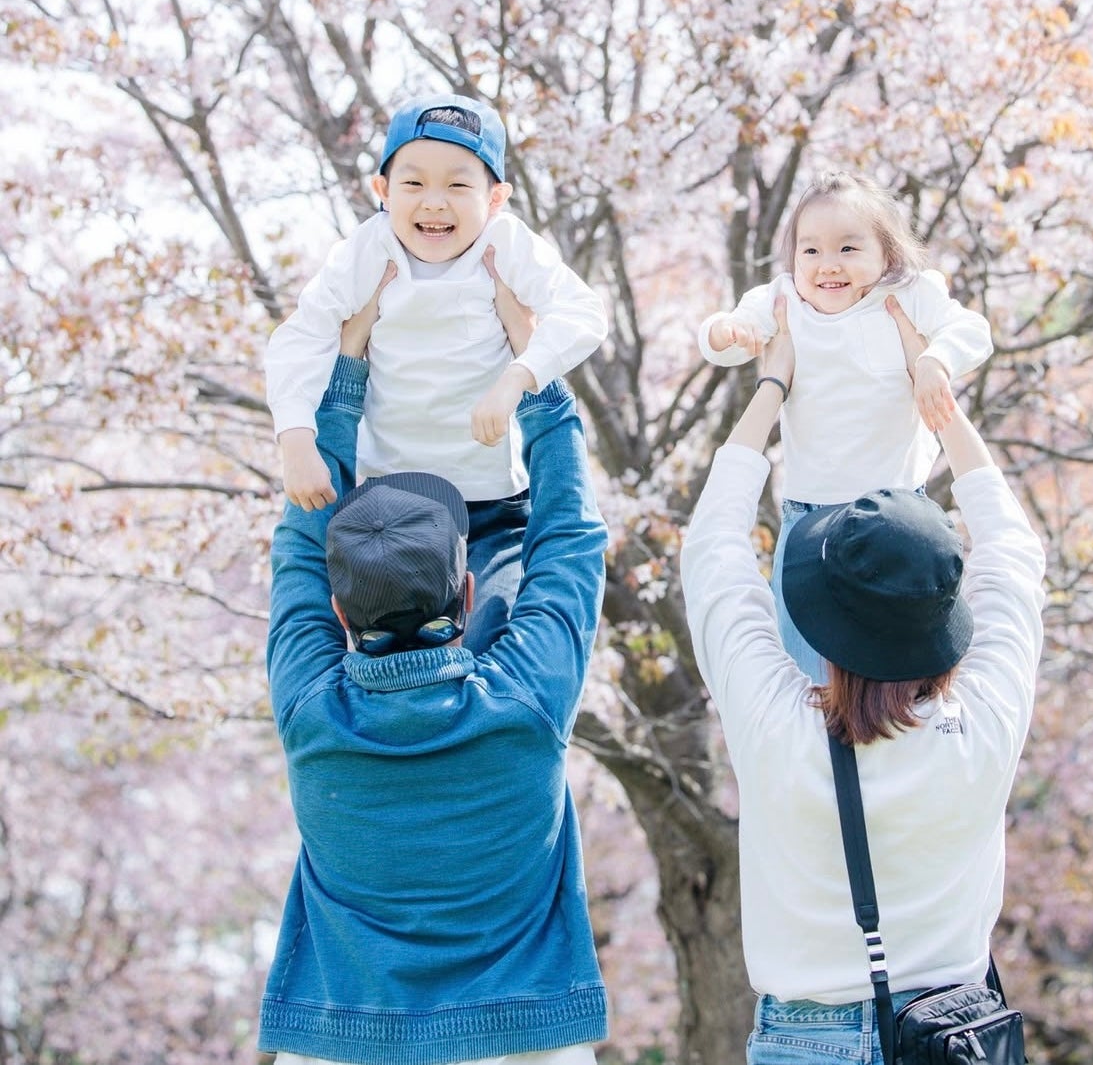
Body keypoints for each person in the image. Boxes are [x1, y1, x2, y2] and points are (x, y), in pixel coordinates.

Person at [258, 267, 610, 1065]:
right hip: (524, 1045)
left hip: (339, 1045)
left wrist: (340, 387)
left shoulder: (314, 710)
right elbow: (571, 541)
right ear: (470, 588)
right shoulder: (523, 699)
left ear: (340, 616)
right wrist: (538, 382)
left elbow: (297, 548)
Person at [681, 294, 1045, 1065]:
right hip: (955, 1035)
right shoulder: (986, 717)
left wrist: (771, 389)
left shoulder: (777, 727)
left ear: (816, 622)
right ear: (946, 615)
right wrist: (933, 390)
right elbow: (1014, 552)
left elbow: (714, 552)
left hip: (806, 1040)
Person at [266, 92, 608, 649]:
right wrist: (296, 438)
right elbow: (301, 336)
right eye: (414, 184)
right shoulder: (366, 251)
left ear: (496, 198)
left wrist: (516, 378)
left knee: (488, 636)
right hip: (388, 502)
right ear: (382, 191)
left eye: (457, 185)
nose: (434, 203)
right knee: (388, 638)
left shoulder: (506, 244)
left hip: (491, 501)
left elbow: (585, 313)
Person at [698, 171, 992, 679]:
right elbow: (715, 338)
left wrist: (934, 362)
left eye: (849, 249)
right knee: (804, 663)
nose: (827, 265)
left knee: (896, 669)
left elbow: (973, 331)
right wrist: (730, 332)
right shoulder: (783, 300)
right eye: (809, 251)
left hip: (900, 519)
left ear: (888, 256)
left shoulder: (908, 294)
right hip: (808, 516)